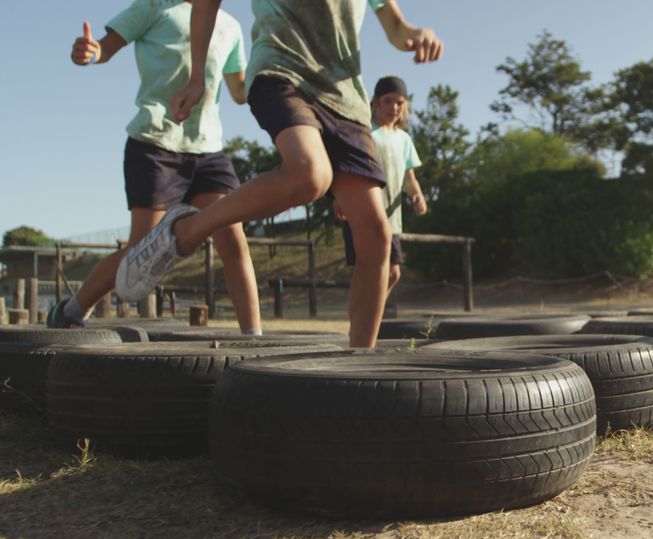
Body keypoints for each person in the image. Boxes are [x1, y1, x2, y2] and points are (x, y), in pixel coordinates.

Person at [115, 0, 441, 347]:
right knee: (310, 174)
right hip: (282, 70)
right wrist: (197, 78)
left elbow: (394, 26)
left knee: (376, 236)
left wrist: (414, 34)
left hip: (345, 98)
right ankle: (186, 231)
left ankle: (358, 365)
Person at [50, 0, 261, 334]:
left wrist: (274, 74)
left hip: (209, 149)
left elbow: (238, 90)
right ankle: (72, 310)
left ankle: (254, 336)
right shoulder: (154, 7)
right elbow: (105, 49)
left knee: (233, 240)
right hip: (155, 143)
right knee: (141, 252)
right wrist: (90, 51)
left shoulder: (231, 26)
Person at [336, 76, 428, 314]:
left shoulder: (404, 139)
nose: (394, 108)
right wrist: (339, 197)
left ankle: (370, 315)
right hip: (362, 213)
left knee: (393, 272)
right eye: (388, 101)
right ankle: (360, 318)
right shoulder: (365, 133)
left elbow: (409, 178)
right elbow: (346, 168)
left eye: (399, 102)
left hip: (392, 219)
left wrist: (417, 196)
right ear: (376, 102)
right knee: (367, 269)